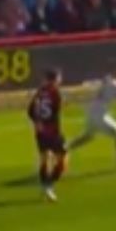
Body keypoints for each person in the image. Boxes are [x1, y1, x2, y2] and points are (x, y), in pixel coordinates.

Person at [66, 64, 116, 169]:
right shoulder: (115, 84)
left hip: (92, 111)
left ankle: (62, 148)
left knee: (87, 136)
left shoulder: (108, 79)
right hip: (100, 114)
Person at [27, 69, 67, 202]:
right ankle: (49, 185)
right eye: (59, 77)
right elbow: (57, 110)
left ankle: (45, 187)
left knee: (44, 159)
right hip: (53, 131)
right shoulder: (56, 92)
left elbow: (30, 110)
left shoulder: (40, 92)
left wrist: (37, 122)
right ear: (55, 79)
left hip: (40, 132)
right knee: (62, 160)